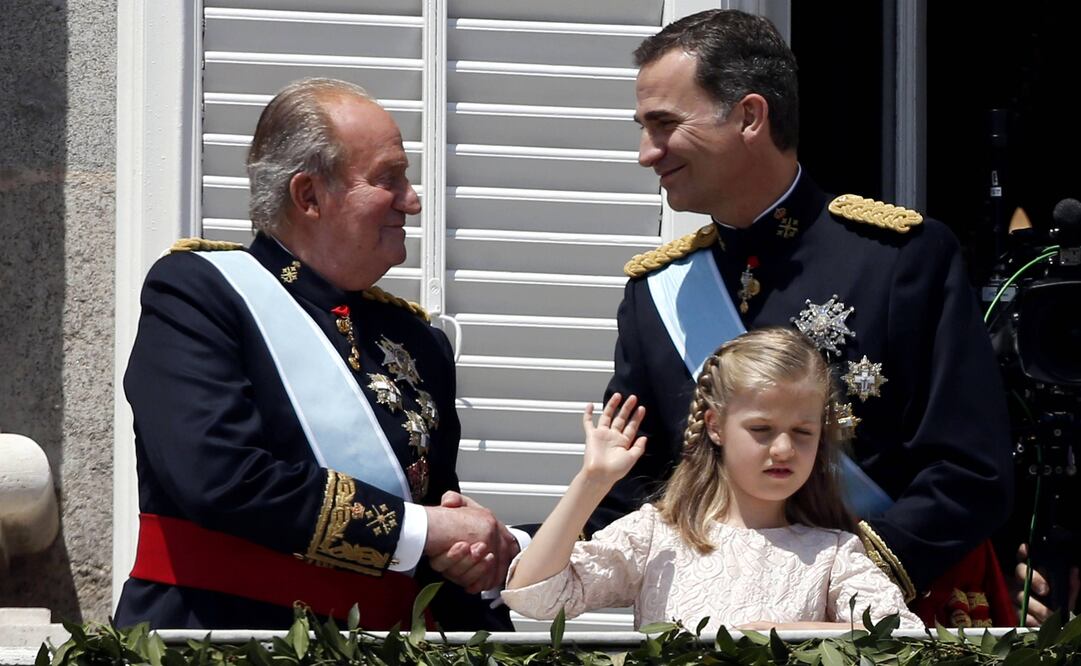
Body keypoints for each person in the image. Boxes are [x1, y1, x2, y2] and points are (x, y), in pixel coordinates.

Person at [593, 9, 1015, 627]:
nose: (645, 153)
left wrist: (836, 577)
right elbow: (637, 490)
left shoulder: (899, 261)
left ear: (749, 117)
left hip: (890, 623)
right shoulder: (659, 294)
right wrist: (516, 548)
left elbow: (970, 473)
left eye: (664, 126)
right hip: (723, 633)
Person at [115, 78, 522, 630]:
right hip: (224, 636)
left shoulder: (417, 340)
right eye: (389, 179)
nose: (413, 200)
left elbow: (435, 515)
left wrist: (468, 557)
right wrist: (426, 533)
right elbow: (219, 478)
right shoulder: (199, 293)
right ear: (308, 196)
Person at [504, 328, 924, 631]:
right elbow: (536, 596)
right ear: (716, 426)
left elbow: (901, 639)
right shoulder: (657, 536)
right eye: (761, 430)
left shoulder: (833, 553)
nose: (783, 449)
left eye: (803, 433)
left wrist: (784, 634)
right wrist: (592, 482)